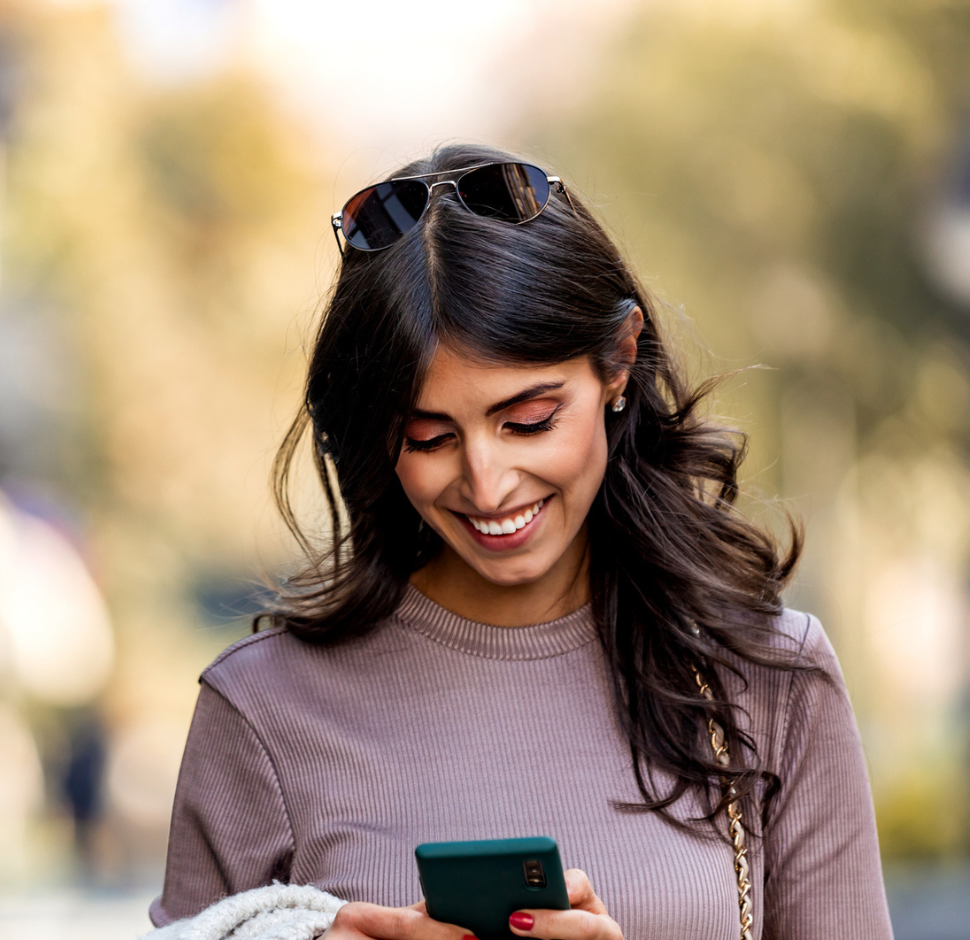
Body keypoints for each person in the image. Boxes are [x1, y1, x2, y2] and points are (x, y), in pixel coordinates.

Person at [147, 144, 891, 940]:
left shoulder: (768, 678)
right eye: (428, 438)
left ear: (619, 361)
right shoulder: (264, 712)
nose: (487, 481)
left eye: (529, 421)